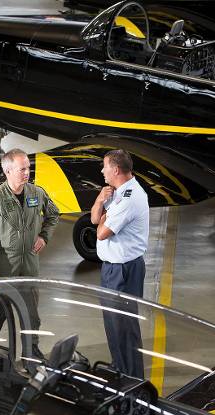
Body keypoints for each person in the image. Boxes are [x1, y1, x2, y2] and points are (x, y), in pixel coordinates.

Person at [0, 148, 59, 359]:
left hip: (29, 267)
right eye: (22, 169)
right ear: (8, 171)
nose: (27, 173)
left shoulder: (36, 193)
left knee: (31, 316)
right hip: (4, 269)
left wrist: (44, 236)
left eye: (28, 168)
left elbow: (53, 214)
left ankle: (31, 352)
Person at [91, 149, 149, 378]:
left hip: (124, 271)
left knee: (125, 325)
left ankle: (133, 379)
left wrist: (104, 217)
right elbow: (95, 219)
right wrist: (99, 200)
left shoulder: (129, 198)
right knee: (113, 323)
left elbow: (101, 233)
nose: (102, 171)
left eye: (105, 166)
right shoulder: (117, 192)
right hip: (112, 268)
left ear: (115, 170)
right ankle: (119, 367)